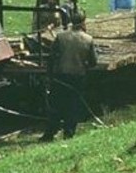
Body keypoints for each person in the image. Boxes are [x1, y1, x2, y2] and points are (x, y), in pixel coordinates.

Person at [41, 10, 98, 140]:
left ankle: (50, 133)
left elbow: (51, 58)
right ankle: (69, 133)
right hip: (78, 78)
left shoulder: (61, 37)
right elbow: (93, 62)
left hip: (60, 77)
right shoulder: (88, 39)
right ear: (83, 23)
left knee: (56, 106)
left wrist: (49, 76)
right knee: (73, 106)